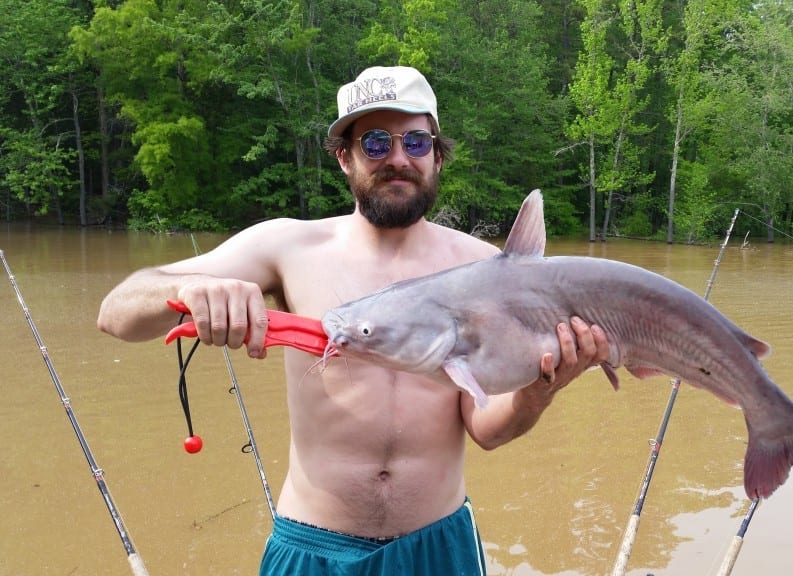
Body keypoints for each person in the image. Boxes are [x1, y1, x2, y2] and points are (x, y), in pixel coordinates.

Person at [97, 65, 609, 575]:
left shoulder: (484, 270)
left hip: (437, 548)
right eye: (377, 143)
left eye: (415, 140)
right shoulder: (288, 246)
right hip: (312, 548)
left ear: (436, 153)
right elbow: (118, 311)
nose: (399, 159)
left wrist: (537, 391)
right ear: (345, 157)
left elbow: (486, 429)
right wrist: (188, 290)